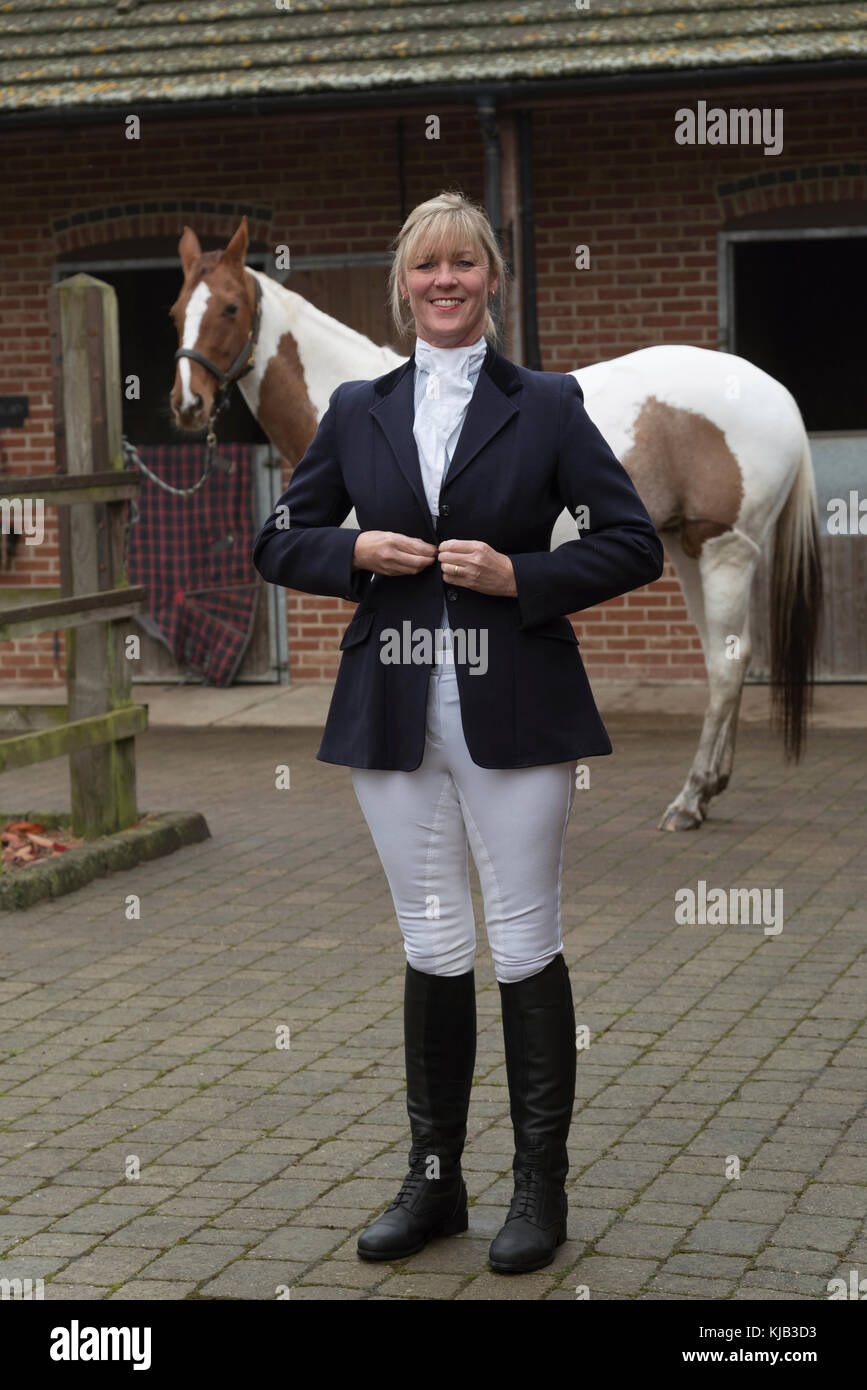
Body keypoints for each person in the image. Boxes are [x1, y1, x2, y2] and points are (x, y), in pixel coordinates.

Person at [252, 190, 664, 1275]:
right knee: (432, 947)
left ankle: (541, 1192)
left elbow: (633, 544)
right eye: (426, 266)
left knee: (524, 941)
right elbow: (280, 536)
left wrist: (523, 573)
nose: (444, 281)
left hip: (517, 711)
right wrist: (353, 554)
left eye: (464, 265)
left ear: (491, 280)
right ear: (403, 285)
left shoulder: (550, 405)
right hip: (390, 715)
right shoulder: (355, 409)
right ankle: (435, 1187)